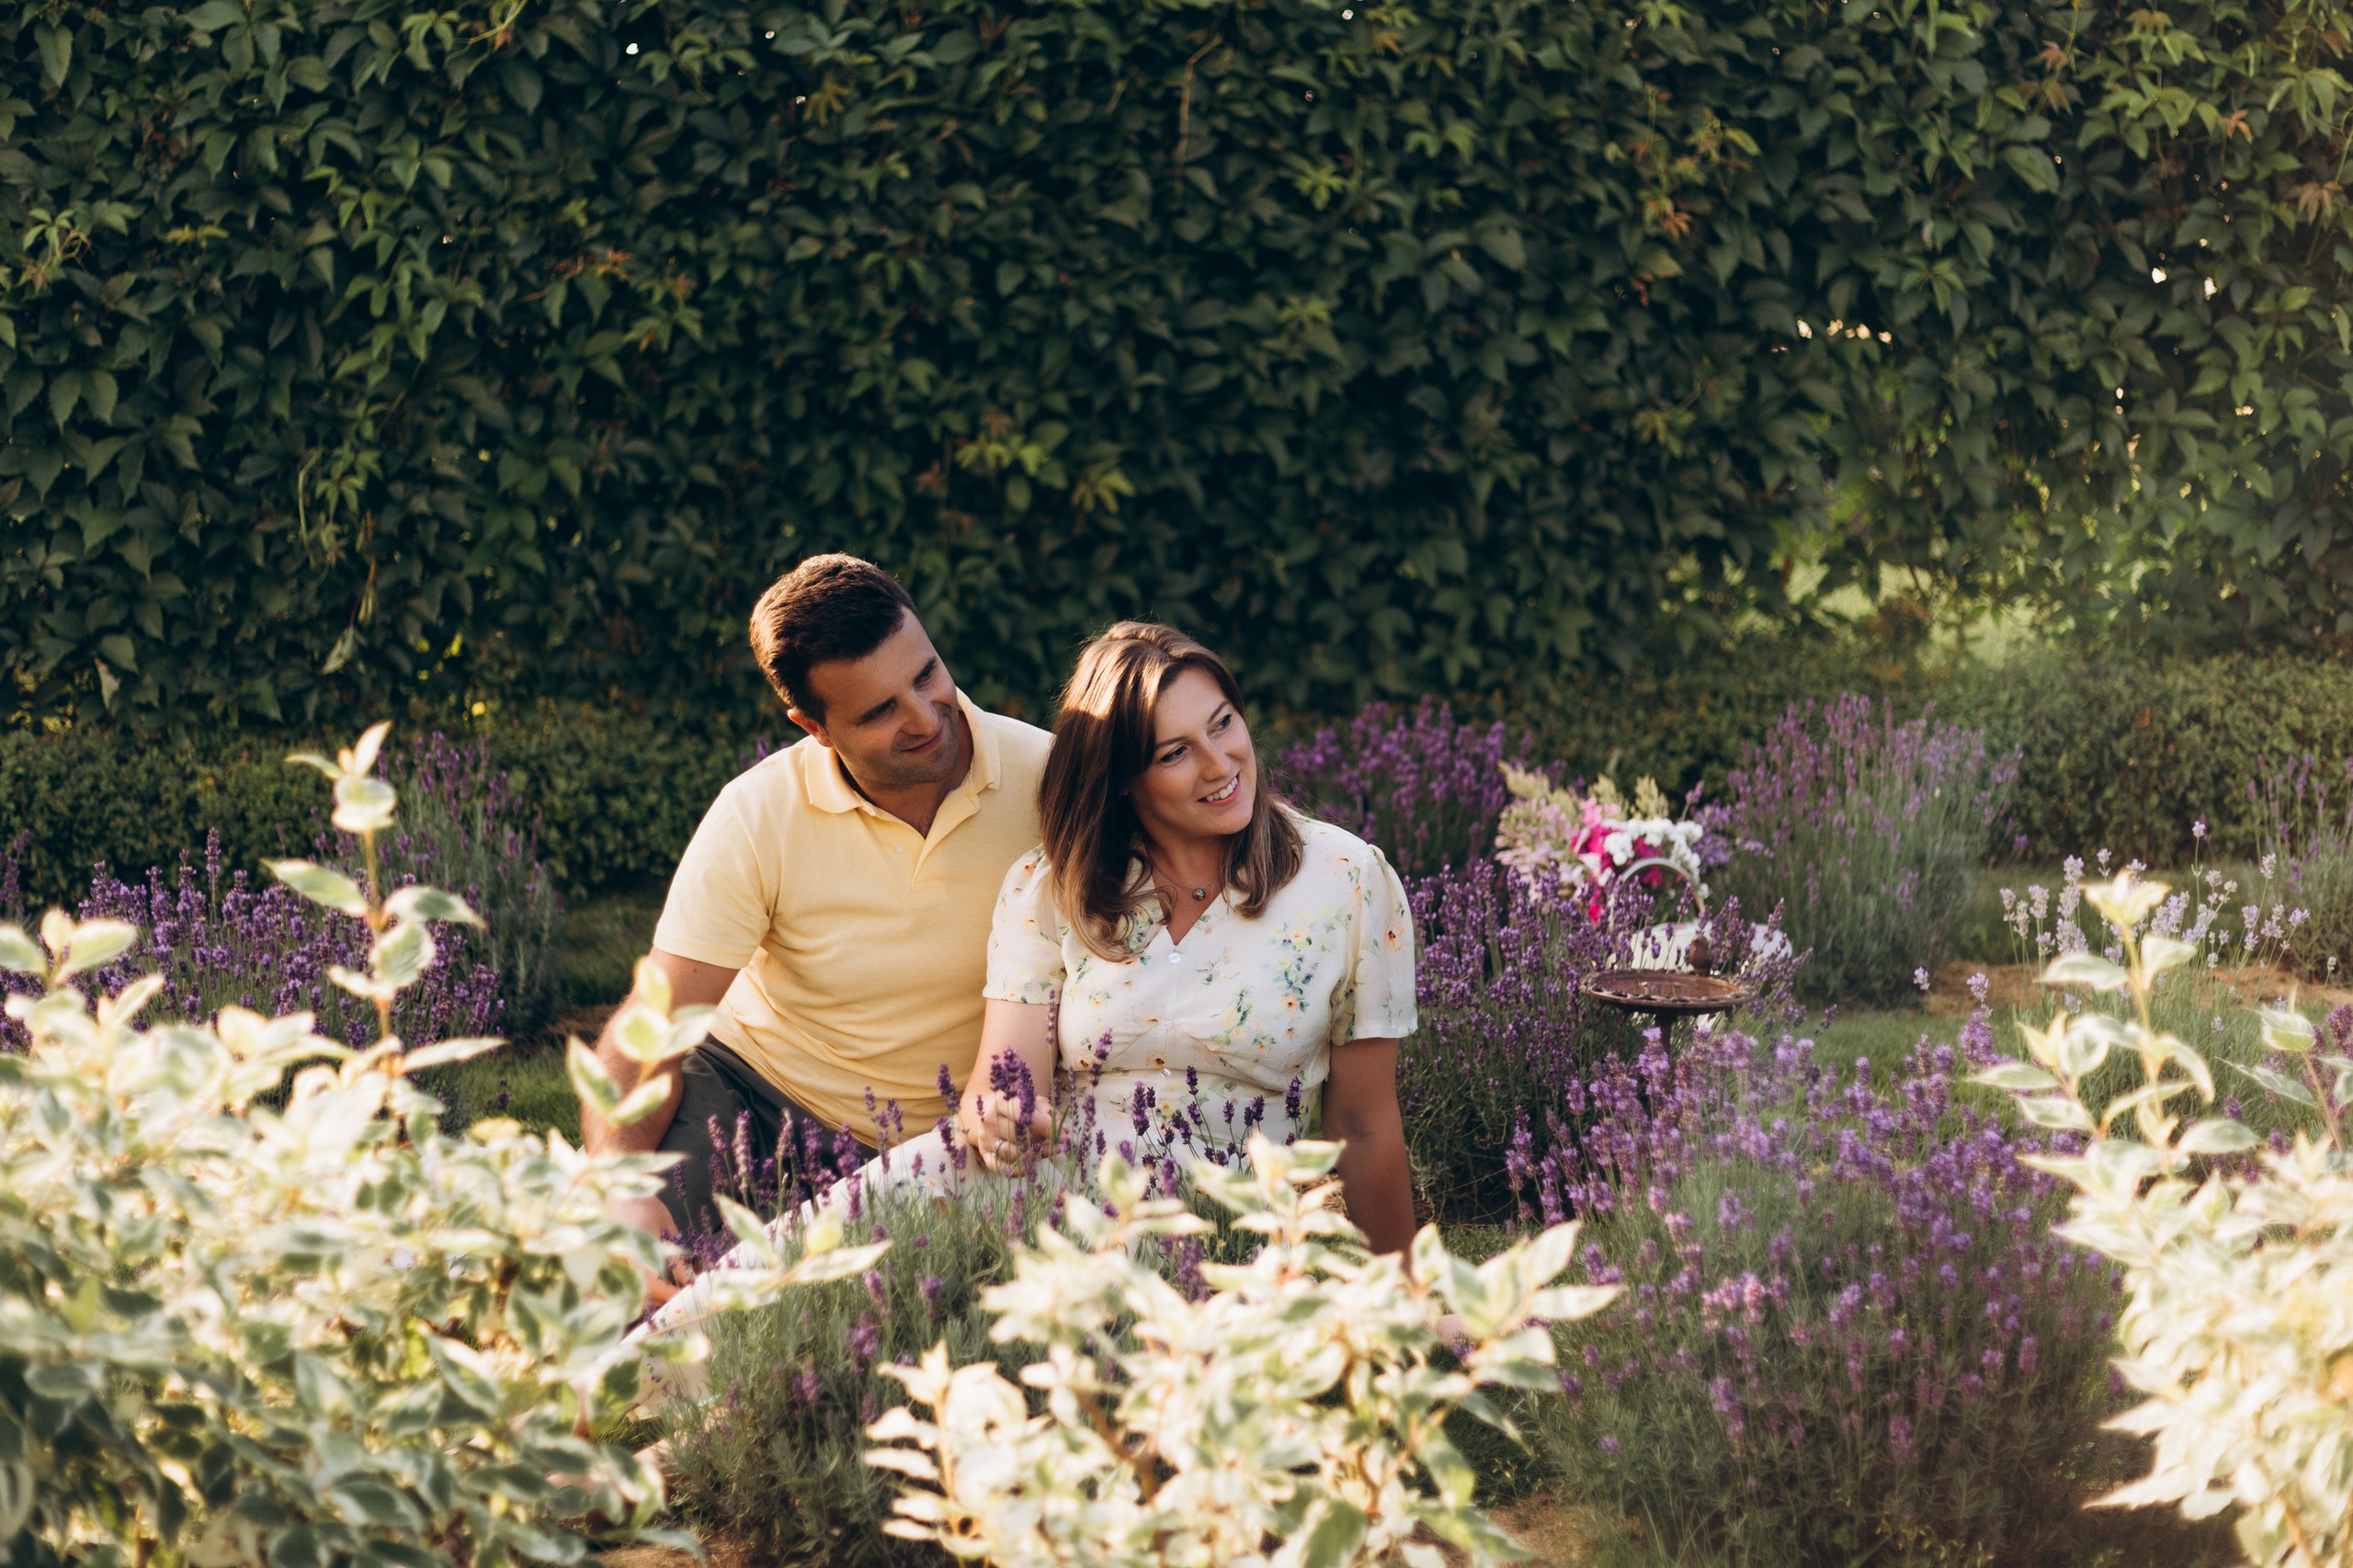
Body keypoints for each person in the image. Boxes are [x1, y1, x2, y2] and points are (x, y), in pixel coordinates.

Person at [648, 619, 1419, 1332]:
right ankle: (636, 1373)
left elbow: (1363, 1125)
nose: (1221, 765)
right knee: (796, 1268)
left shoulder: (1348, 883)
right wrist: (1000, 1113)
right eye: (1174, 752)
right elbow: (1004, 1078)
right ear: (1123, 779)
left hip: (1223, 1228)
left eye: (1223, 724)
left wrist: (1405, 1298)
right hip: (1044, 1187)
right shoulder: (1054, 886)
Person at [580, 553, 1052, 1263]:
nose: (925, 717)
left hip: (943, 1135)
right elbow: (654, 1024)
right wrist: (619, 1184)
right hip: (749, 1093)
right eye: (879, 711)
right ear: (813, 725)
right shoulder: (757, 814)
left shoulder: (1051, 780)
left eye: (926, 675)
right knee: (636, 1279)